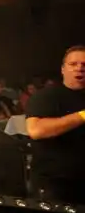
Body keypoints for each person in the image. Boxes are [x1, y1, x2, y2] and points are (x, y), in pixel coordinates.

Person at [25, 45, 85, 203]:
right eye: (73, 64)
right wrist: (83, 115)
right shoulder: (46, 96)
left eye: (84, 65)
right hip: (54, 183)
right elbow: (36, 130)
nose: (80, 68)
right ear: (63, 69)